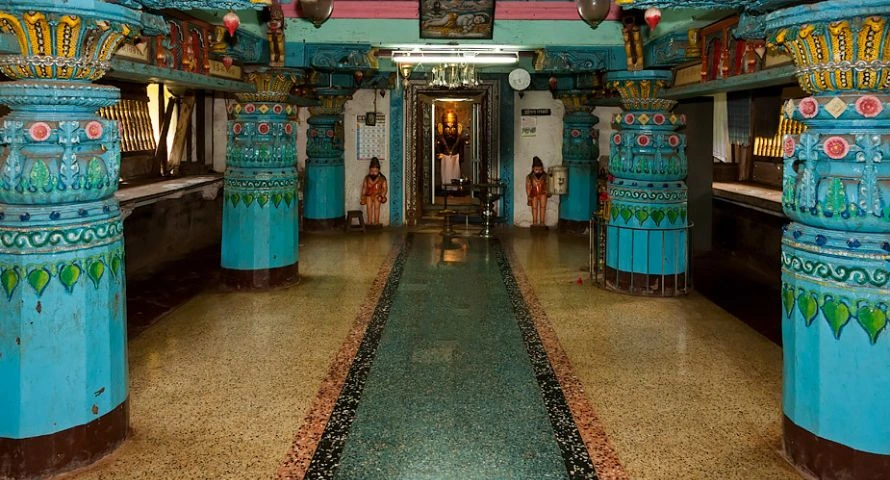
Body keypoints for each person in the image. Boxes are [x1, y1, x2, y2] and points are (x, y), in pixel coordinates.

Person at [435, 109, 468, 187]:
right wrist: (439, 153)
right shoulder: (440, 137)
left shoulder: (459, 137)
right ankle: (445, 187)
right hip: (445, 157)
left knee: (455, 174)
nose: (450, 131)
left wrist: (459, 137)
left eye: (453, 127)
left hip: (455, 157)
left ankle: (454, 188)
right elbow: (438, 148)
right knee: (445, 174)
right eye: (447, 128)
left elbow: (461, 149)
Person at [360, 157, 387, 225]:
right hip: (369, 195)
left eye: (375, 171)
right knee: (369, 208)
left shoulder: (382, 179)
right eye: (372, 171)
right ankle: (369, 221)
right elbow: (364, 188)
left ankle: (376, 221)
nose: (373, 173)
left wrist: (382, 195)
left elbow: (384, 188)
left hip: (377, 195)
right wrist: (362, 196)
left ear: (378, 170)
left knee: (377, 208)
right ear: (369, 170)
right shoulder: (367, 178)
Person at [526, 156, 551, 226]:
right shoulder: (529, 177)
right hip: (534, 194)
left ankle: (542, 222)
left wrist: (547, 191)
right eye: (536, 169)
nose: (538, 171)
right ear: (533, 169)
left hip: (543, 193)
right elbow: (528, 187)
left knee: (543, 207)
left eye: (540, 169)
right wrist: (529, 196)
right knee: (534, 208)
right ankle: (534, 222)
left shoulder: (545, 176)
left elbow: (548, 185)